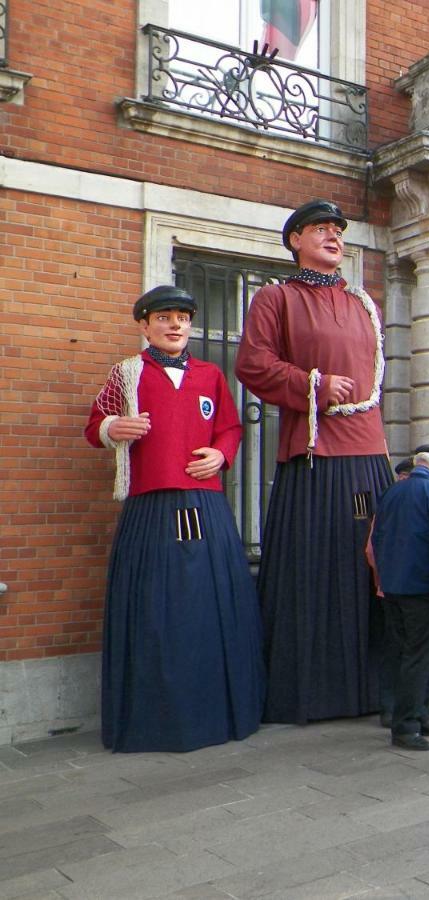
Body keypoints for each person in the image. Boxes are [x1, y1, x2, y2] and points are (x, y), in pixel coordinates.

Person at [85, 285, 264, 752]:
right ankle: (157, 722)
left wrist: (221, 454)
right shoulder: (125, 375)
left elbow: (229, 425)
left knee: (212, 610)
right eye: (164, 316)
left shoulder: (210, 375)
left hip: (207, 504)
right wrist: (113, 428)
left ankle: (220, 715)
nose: (176, 324)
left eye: (183, 316)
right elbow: (93, 426)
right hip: (151, 506)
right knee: (157, 614)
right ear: (144, 325)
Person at [235, 200, 391, 724]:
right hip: (314, 454)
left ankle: (392, 688)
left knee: (383, 569)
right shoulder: (275, 298)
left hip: (370, 452)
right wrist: (315, 385)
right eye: (321, 229)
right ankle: (317, 694)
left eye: (339, 231)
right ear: (295, 239)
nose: (334, 236)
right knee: (317, 573)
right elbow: (252, 364)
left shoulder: (363, 303)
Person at [368, 446, 429, 751]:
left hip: (393, 588)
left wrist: (385, 579)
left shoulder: (392, 493)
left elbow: (377, 540)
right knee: (418, 657)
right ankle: (406, 727)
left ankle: (418, 715)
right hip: (424, 589)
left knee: (406, 654)